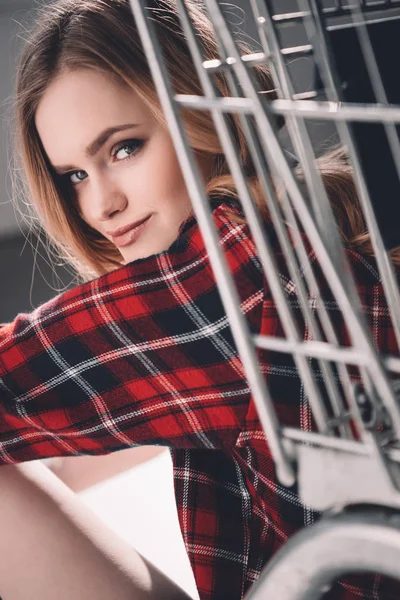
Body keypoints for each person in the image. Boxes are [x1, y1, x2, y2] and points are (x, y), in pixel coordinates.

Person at [0, 0, 399, 598]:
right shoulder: (307, 224)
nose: (99, 205)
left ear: (198, 115)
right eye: (75, 175)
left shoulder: (227, 275)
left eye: (124, 148)